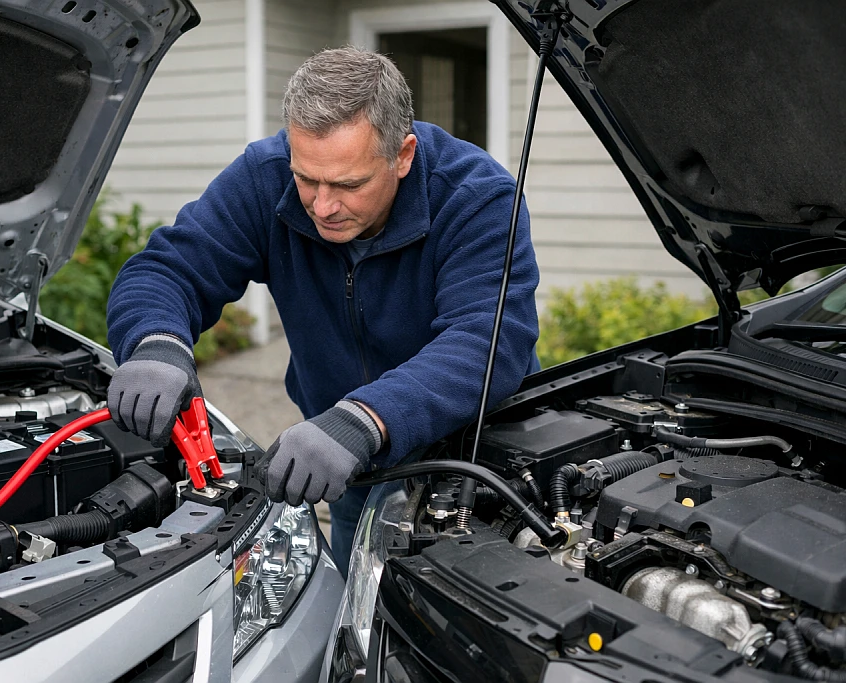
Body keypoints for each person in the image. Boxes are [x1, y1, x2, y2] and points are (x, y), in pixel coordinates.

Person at [105, 46, 540, 577]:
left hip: (477, 457)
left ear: (403, 155)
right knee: (359, 606)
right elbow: (168, 269)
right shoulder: (266, 178)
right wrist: (156, 342)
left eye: (349, 184)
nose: (322, 206)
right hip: (352, 463)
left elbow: (487, 340)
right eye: (307, 178)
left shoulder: (477, 197)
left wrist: (364, 419)